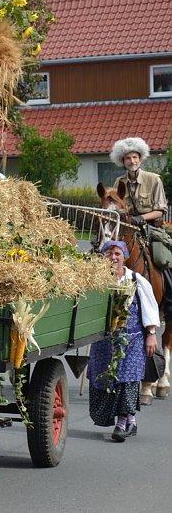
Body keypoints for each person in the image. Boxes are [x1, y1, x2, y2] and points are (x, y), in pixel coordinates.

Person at [87, 240, 159, 441]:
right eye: (109, 253)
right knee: (104, 378)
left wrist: (151, 333)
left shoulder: (136, 280)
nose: (113, 257)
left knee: (127, 378)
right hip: (104, 341)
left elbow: (150, 307)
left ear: (125, 257)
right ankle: (131, 420)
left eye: (117, 253)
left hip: (132, 339)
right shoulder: (97, 280)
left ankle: (121, 423)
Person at [109, 137, 167, 227]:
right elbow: (114, 206)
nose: (132, 161)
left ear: (140, 159)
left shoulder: (154, 180)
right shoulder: (119, 182)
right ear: (123, 161)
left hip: (150, 226)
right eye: (128, 158)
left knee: (162, 237)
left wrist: (140, 218)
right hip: (126, 226)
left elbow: (160, 211)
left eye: (135, 157)